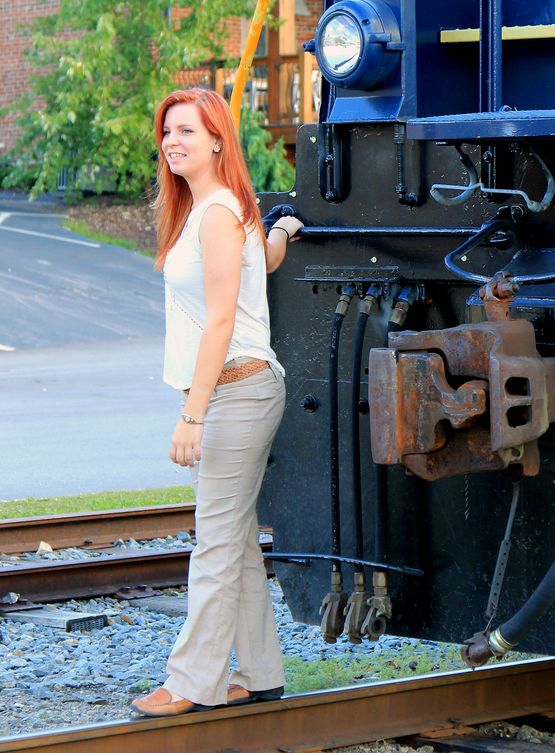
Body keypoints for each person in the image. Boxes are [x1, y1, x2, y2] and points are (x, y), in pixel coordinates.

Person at [131, 88, 303, 717]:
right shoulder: (217, 209)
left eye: (185, 131)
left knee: (214, 544)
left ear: (215, 141)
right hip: (233, 390)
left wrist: (192, 414)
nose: (172, 142)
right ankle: (260, 676)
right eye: (167, 132)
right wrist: (284, 227)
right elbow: (266, 259)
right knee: (234, 542)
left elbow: (223, 318)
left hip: (236, 392)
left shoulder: (217, 213)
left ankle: (190, 682)